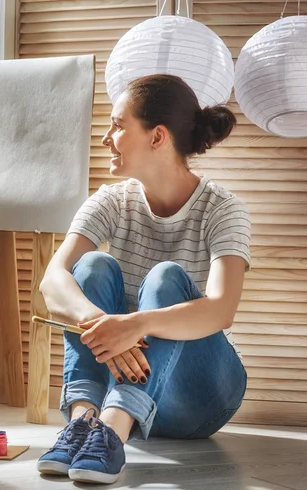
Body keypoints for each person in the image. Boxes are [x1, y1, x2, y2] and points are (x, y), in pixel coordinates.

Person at [37, 74, 250, 485]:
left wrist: (134, 325)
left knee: (166, 277)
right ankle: (84, 423)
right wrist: (104, 325)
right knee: (92, 267)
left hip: (201, 399)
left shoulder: (224, 209)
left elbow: (222, 310)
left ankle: (111, 433)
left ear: (157, 137)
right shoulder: (110, 201)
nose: (105, 138)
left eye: (118, 125)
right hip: (124, 382)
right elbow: (52, 281)